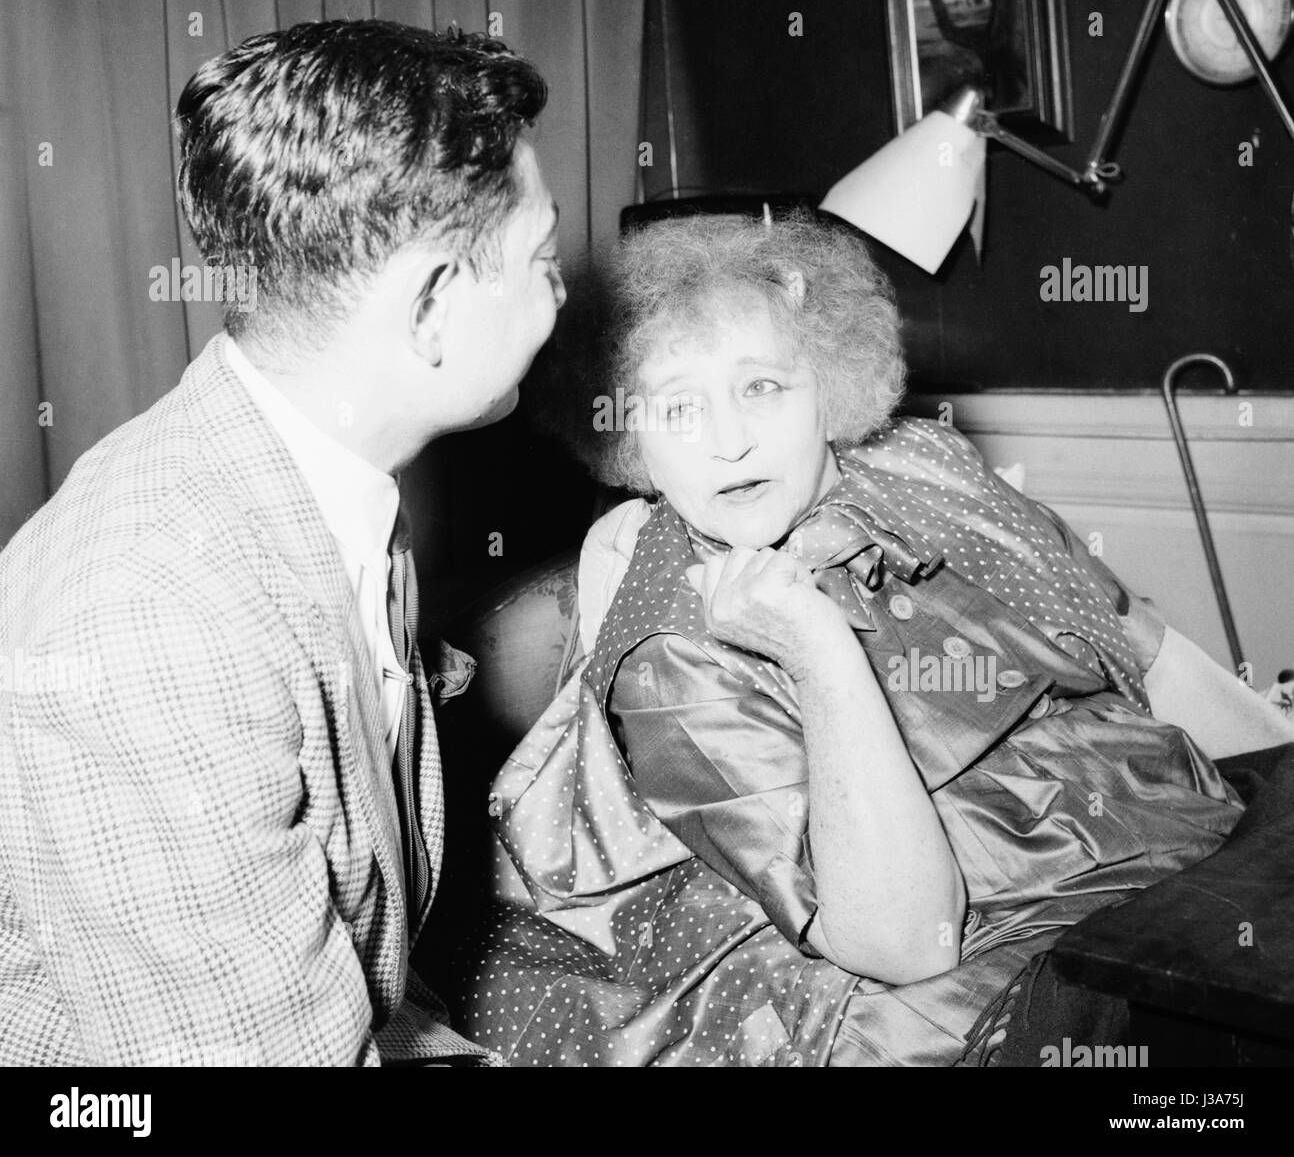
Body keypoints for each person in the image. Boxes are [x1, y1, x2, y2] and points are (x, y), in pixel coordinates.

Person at [458, 209, 1292, 1067]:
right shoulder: (672, 652)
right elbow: (907, 942)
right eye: (676, 407)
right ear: (627, 433)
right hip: (964, 960)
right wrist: (821, 652)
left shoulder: (923, 464)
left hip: (1161, 833)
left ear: (828, 378)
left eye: (762, 387)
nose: (729, 440)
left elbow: (1122, 635)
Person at [0, 19, 566, 1066]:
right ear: (433, 304)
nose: (561, 292)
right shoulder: (153, 613)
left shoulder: (317, 479)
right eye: (539, 257)